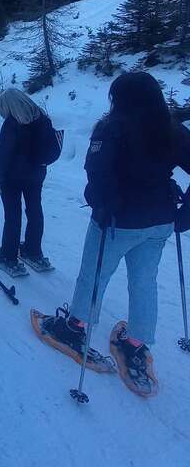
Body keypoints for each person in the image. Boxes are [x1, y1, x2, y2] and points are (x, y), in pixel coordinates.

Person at [35, 72, 190, 397]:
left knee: (94, 274)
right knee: (144, 281)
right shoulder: (171, 129)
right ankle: (135, 343)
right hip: (160, 220)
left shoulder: (111, 127)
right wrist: (186, 211)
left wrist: (103, 206)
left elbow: (97, 172)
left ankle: (75, 328)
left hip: (119, 220)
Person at [0, 88, 56, 275]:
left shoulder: (12, 124)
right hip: (36, 175)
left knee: (13, 214)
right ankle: (33, 250)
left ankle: (9, 256)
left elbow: (4, 153)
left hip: (13, 178)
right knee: (35, 210)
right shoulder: (42, 119)